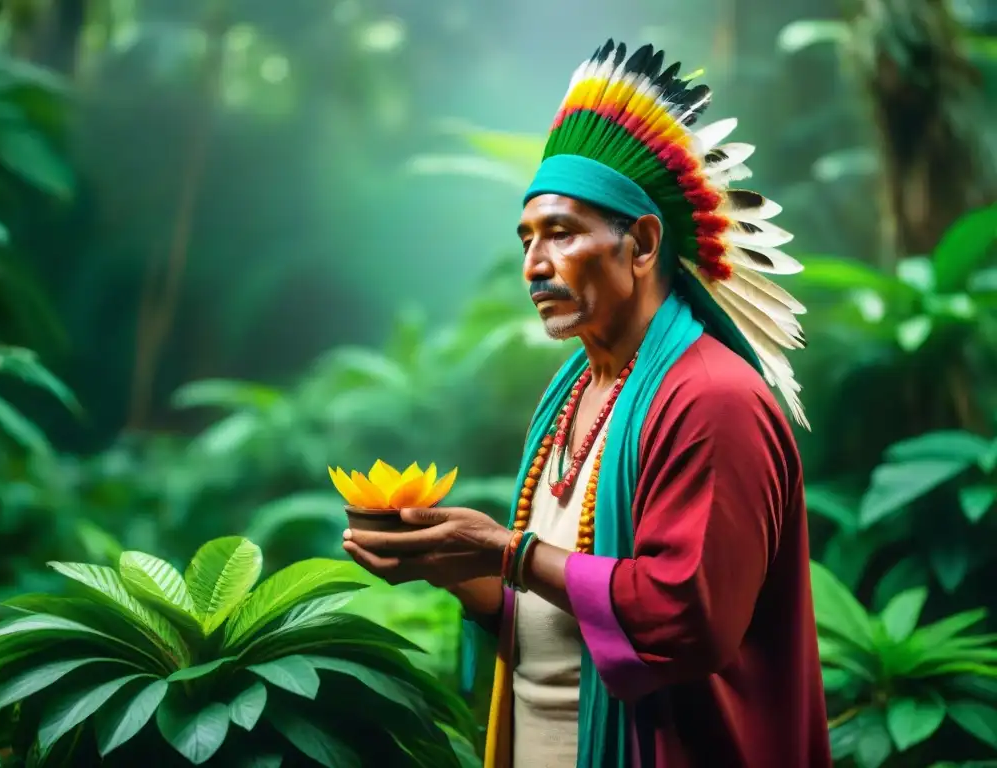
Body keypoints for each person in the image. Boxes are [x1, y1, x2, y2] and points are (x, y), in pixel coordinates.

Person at [342, 40, 832, 768]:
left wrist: (506, 551)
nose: (534, 266)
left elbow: (685, 621)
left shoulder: (712, 399)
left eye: (561, 234)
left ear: (641, 242)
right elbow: (555, 617)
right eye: (527, 239)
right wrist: (456, 567)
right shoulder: (574, 391)